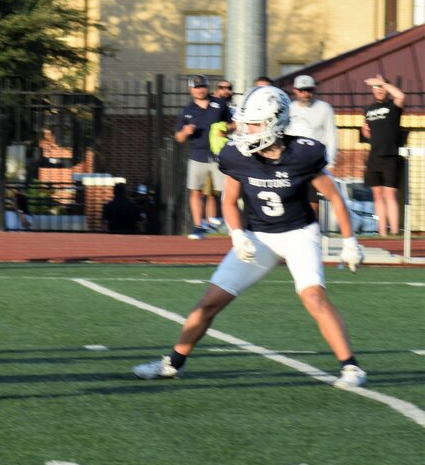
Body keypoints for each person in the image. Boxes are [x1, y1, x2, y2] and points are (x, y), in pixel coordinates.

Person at [133, 86, 366, 389]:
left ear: (276, 123)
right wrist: (237, 235)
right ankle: (173, 363)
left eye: (254, 124)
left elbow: (335, 197)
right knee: (208, 303)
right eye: (244, 123)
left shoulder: (303, 153)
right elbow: (229, 201)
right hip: (258, 236)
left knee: (312, 296)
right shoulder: (236, 155)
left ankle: (350, 367)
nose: (245, 130)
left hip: (299, 232)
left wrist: (350, 242)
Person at [175, 74, 231, 239]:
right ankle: (198, 226)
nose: (200, 90)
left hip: (219, 155)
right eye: (196, 87)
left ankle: (225, 224)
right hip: (197, 156)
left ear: (207, 87)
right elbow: (178, 138)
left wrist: (227, 129)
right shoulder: (187, 111)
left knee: (226, 192)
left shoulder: (219, 104)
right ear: (191, 89)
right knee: (195, 192)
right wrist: (185, 132)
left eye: (202, 86)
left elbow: (234, 123)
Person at [359, 75, 406, 237]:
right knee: (377, 196)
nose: (379, 90)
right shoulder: (368, 109)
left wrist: (383, 83)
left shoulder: (393, 105)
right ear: (372, 90)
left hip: (390, 156)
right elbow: (368, 135)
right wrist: (365, 132)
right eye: (376, 87)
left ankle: (393, 231)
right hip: (374, 157)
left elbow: (401, 96)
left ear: (386, 89)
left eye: (382, 87)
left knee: (390, 195)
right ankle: (382, 233)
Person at [285, 75, 337, 163]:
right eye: (301, 90)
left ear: (314, 89)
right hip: (291, 160)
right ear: (295, 90)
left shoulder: (324, 108)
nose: (306, 94)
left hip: (316, 160)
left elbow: (331, 135)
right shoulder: (288, 109)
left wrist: (330, 162)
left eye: (309, 90)